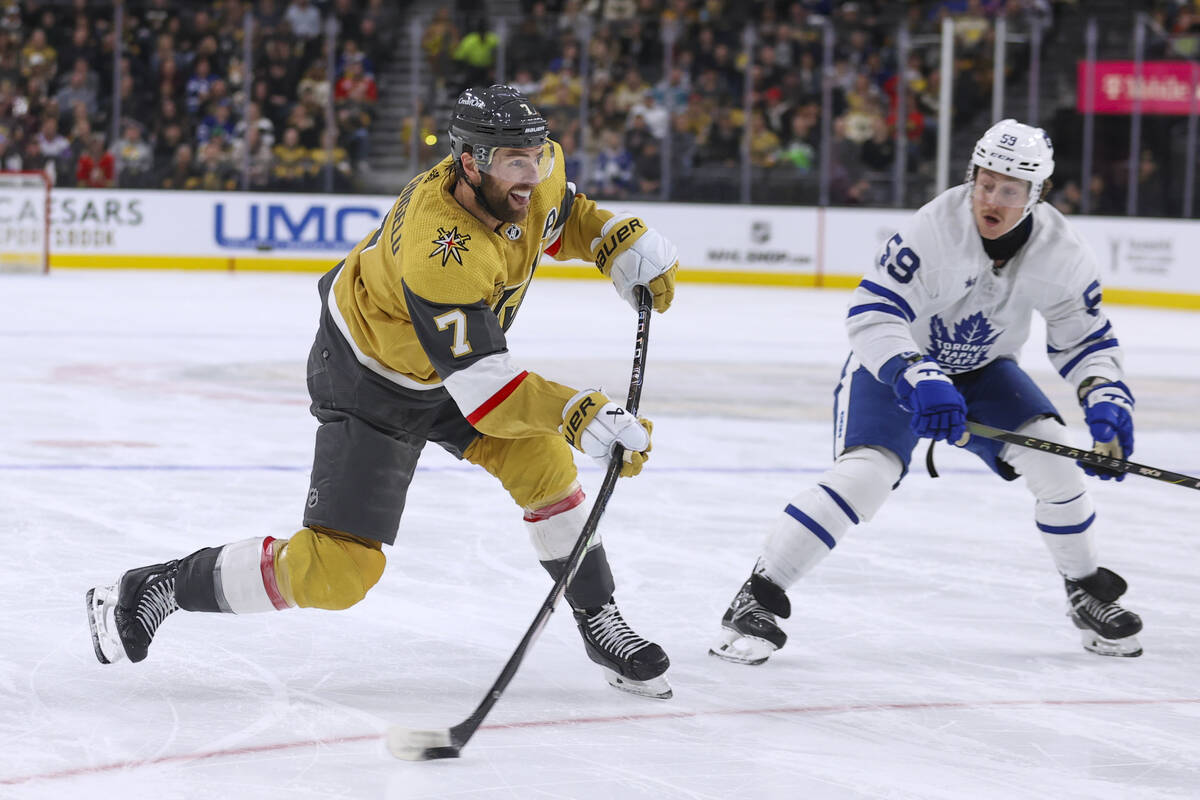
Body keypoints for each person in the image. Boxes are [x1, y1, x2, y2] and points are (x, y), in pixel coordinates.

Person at [86, 85, 680, 700]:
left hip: (458, 368)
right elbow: (489, 394)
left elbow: (563, 217)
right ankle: (158, 586)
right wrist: (577, 412)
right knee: (339, 573)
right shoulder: (441, 248)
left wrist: (615, 240)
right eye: (515, 161)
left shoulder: (532, 171)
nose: (533, 172)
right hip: (371, 378)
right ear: (471, 161)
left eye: (538, 156)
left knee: (545, 462)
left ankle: (596, 615)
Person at [710, 119, 1143, 666]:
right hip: (896, 367)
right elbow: (873, 314)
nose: (992, 199)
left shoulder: (1064, 253)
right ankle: (757, 595)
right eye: (985, 183)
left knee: (1056, 460)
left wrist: (1105, 397)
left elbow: (1085, 340)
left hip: (984, 371)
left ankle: (1084, 591)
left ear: (1037, 195)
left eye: (1010, 190)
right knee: (868, 473)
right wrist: (916, 373)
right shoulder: (935, 228)